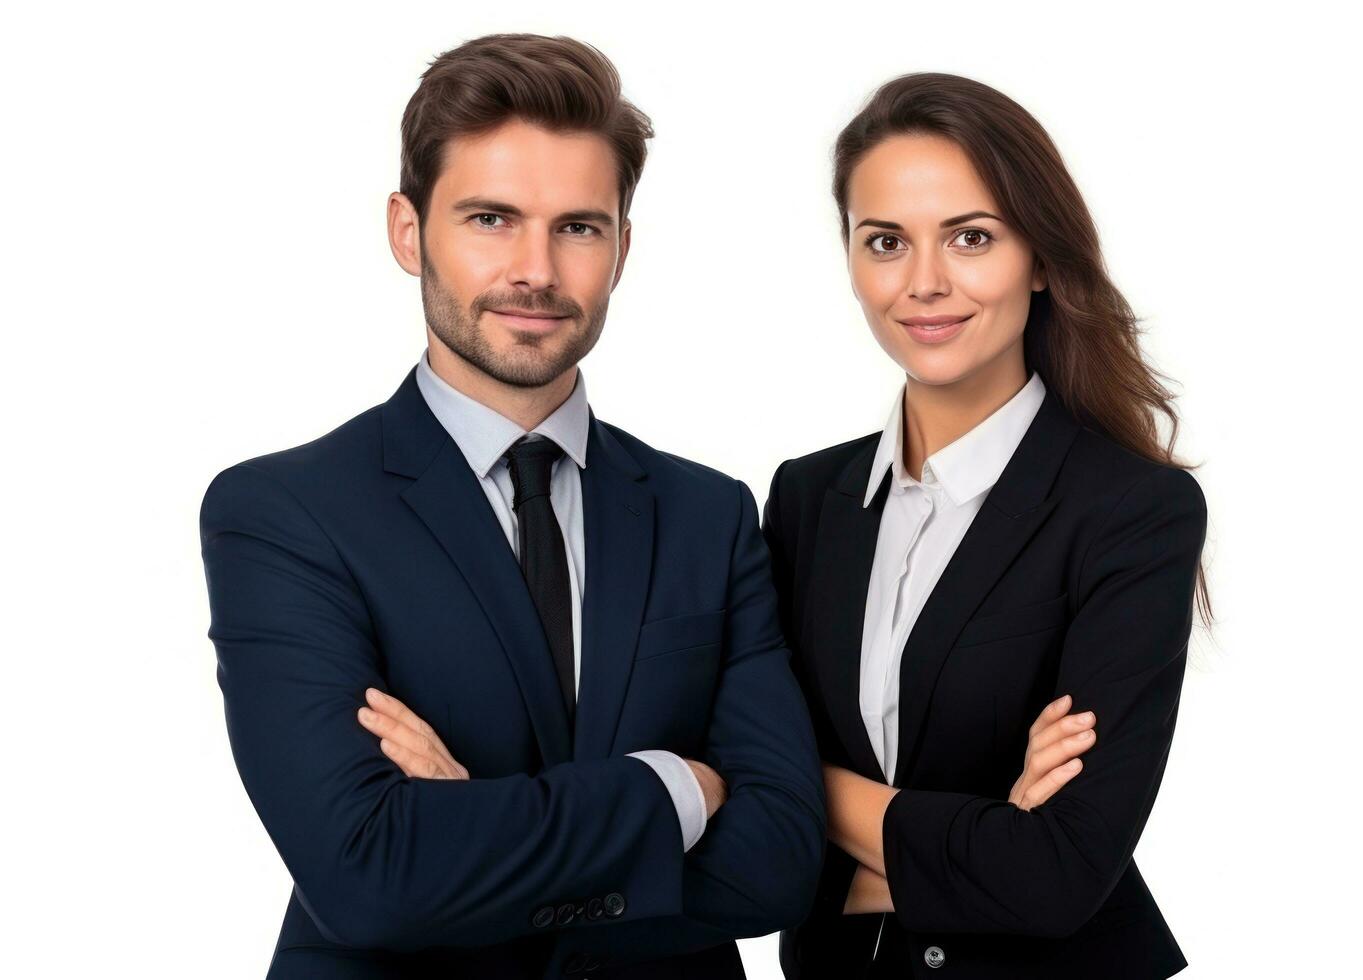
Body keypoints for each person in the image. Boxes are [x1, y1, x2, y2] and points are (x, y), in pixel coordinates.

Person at [198, 33, 831, 979]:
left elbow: (782, 861)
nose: (536, 270)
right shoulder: (284, 514)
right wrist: (672, 794)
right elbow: (369, 875)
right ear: (408, 231)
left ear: (622, 247)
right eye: (492, 219)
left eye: (578, 226)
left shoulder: (711, 516)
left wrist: (472, 834)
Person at [767, 73, 1212, 978]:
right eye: (885, 241)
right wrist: (983, 834)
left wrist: (804, 795)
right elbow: (739, 798)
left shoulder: (1131, 512)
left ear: (1040, 259)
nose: (924, 283)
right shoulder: (807, 499)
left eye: (972, 238)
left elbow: (1055, 874)